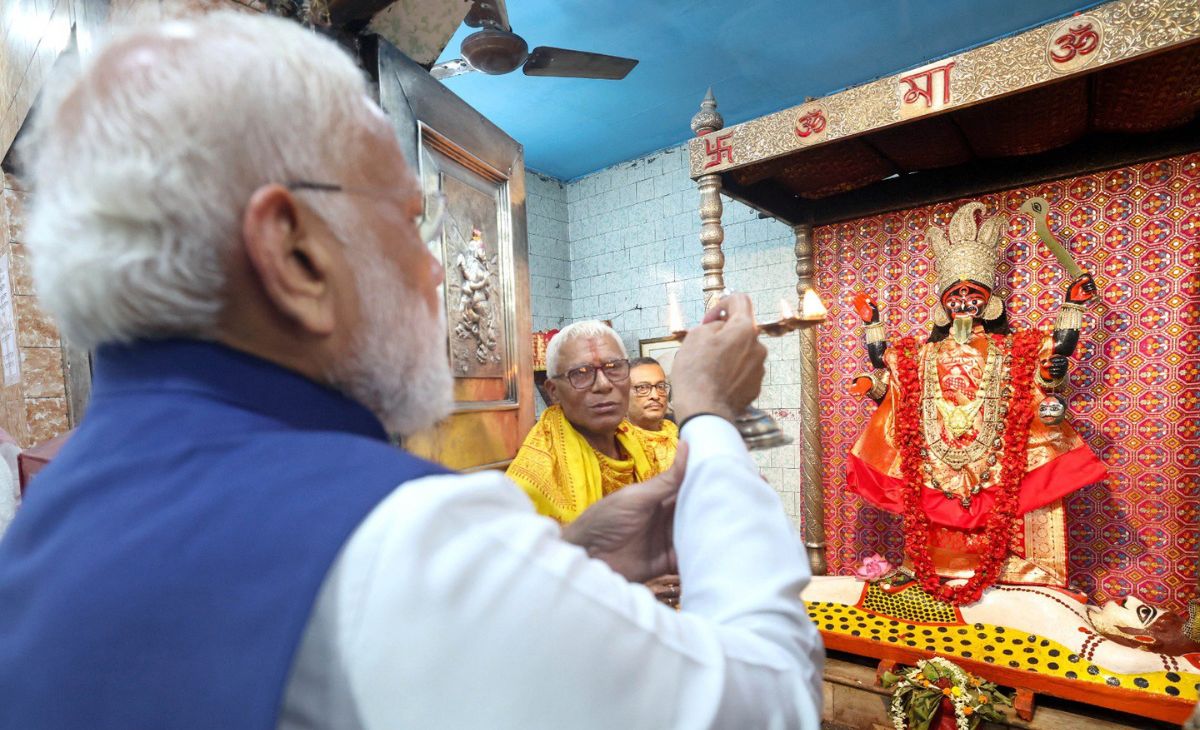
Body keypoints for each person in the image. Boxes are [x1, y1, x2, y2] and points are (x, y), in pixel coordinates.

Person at [0, 12, 822, 730]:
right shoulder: (393, 537)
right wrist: (710, 414)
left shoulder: (50, 514)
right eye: (407, 220)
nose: (438, 275)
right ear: (294, 253)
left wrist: (560, 568)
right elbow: (772, 700)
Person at [846, 201, 1106, 605]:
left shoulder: (1014, 347)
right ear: (942, 303)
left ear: (990, 301)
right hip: (936, 451)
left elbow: (1058, 353)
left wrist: (1071, 304)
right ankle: (933, 572)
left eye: (973, 293)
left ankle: (1022, 576)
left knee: (1018, 495)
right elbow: (886, 364)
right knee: (927, 506)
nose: (964, 300)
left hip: (999, 450)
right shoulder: (921, 353)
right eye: (956, 294)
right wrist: (872, 324)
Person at [507, 323, 676, 523]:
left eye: (613, 368)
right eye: (581, 372)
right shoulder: (533, 481)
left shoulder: (647, 446)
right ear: (554, 392)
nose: (603, 385)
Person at [627, 356, 677, 434]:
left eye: (661, 386)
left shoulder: (683, 432)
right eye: (642, 387)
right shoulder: (614, 441)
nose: (655, 396)